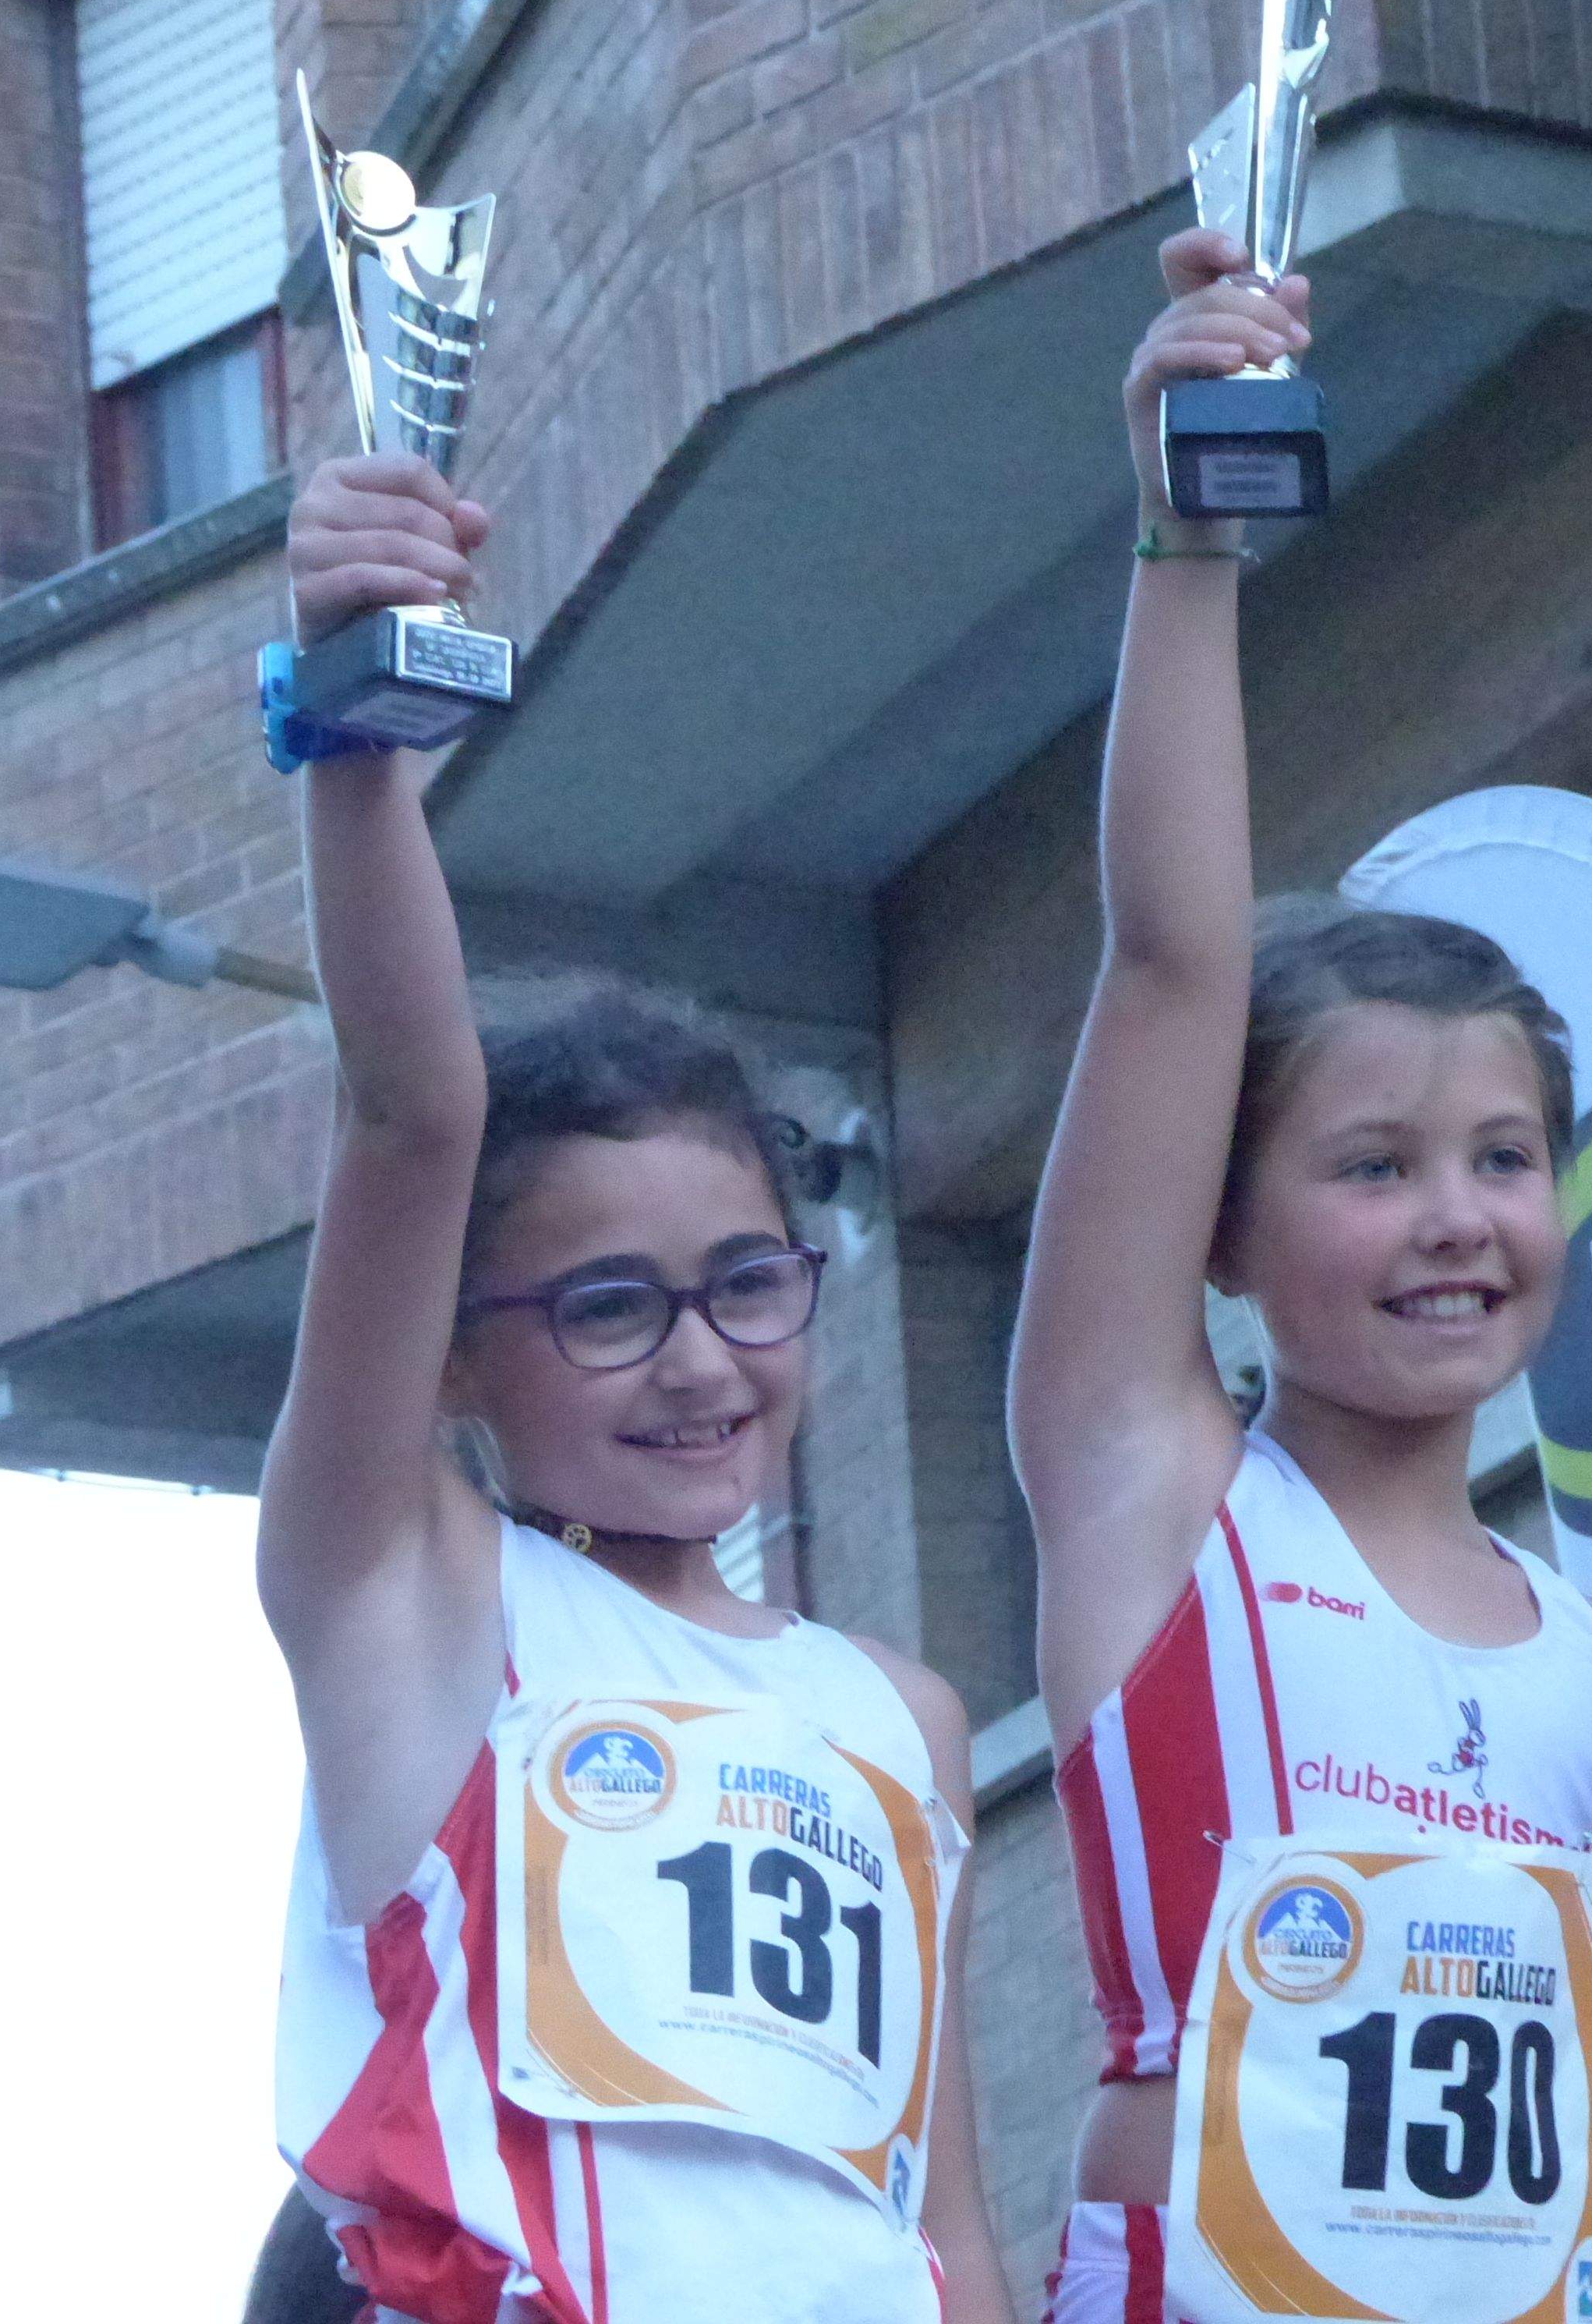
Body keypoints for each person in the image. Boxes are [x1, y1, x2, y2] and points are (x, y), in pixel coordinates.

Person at [1006, 227, 1592, 2324]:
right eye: (1374, 1166)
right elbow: (1170, 971)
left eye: (1505, 1160)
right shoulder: (1154, 1494)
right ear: (1224, 1228)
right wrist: (1187, 542)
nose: (1457, 1217)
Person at [260, 453, 1009, 2324]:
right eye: (607, 1307)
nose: (699, 1357)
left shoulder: (901, 1715)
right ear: (453, 1350)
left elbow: (937, 2209)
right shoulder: (409, 1591)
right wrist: (357, 728)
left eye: (748, 1283)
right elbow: (408, 1111)